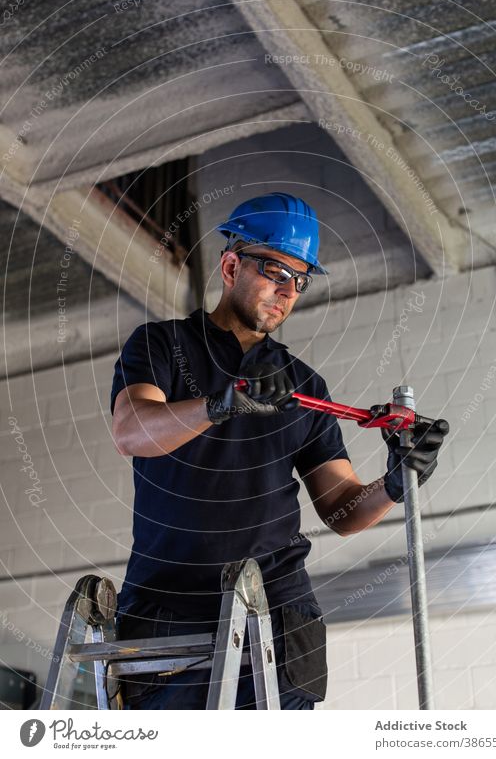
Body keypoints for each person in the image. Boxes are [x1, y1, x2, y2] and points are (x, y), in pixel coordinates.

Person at [110, 192, 448, 710]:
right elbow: (132, 432)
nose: (287, 291)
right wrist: (219, 405)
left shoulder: (302, 385)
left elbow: (341, 509)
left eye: (300, 280)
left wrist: (396, 484)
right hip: (170, 606)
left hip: (276, 611)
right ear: (230, 266)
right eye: (274, 270)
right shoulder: (160, 345)